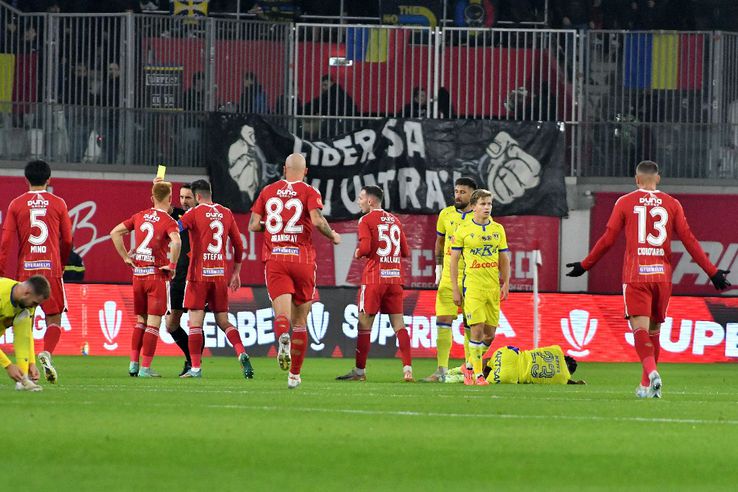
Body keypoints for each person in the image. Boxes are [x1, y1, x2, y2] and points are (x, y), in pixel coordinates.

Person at [566, 160, 730, 398]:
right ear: (658, 179)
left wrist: (585, 265)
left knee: (639, 329)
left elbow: (608, 239)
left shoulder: (624, 202)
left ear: (636, 179)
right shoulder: (672, 204)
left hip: (636, 274)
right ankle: (646, 387)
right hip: (662, 277)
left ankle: (652, 374)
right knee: (654, 332)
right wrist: (712, 272)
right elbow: (689, 240)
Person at [249, 153, 341, 389]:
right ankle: (294, 377)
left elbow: (252, 225)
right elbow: (318, 221)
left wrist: (273, 227)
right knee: (301, 321)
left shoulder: (268, 191)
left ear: (284, 168)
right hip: (302, 260)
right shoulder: (309, 191)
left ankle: (282, 337)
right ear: (306, 171)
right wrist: (333, 235)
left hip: (276, 259)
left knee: (282, 316)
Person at [0, 160, 72, 384]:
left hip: (26, 271)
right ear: (49, 180)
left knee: (23, 321)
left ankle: (25, 368)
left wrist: (1, 272)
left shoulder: (16, 204)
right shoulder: (58, 203)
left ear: (26, 179)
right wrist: (61, 260)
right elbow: (68, 239)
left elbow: (6, 241)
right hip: (51, 268)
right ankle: (47, 353)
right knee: (54, 318)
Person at [336, 186, 413, 382]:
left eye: (361, 197)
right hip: (395, 277)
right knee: (399, 325)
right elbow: (405, 251)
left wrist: (358, 252)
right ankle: (407, 370)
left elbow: (366, 247)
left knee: (364, 324)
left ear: (370, 201)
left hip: (374, 278)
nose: (358, 201)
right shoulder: (395, 220)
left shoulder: (366, 220)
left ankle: (359, 372)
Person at [178, 180, 253, 379]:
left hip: (198, 276)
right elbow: (238, 244)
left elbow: (174, 230)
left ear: (197, 197)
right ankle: (241, 352)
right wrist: (236, 272)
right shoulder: (226, 213)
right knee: (224, 321)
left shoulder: (192, 214)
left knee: (195, 323)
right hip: (219, 276)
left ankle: (195, 368)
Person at [110, 181, 181, 377]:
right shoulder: (168, 221)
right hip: (156, 276)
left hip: (138, 276)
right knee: (153, 323)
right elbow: (176, 241)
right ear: (170, 198)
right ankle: (145, 368)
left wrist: (126, 257)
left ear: (152, 198)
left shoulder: (139, 216)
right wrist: (172, 265)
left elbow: (114, 232)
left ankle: (133, 364)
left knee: (140, 321)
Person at [450, 188, 511, 386]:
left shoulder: (498, 230)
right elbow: (454, 261)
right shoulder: (463, 230)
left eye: (489, 204)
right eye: (483, 204)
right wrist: (455, 288)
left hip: (492, 287)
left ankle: (469, 364)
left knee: (490, 334)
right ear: (474, 206)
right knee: (476, 332)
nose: (487, 207)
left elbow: (504, 259)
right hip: (473, 287)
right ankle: (477, 375)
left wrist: (506, 282)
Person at [423, 177, 477, 383]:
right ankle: (441, 370)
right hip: (447, 276)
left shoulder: (480, 217)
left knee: (470, 324)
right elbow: (439, 241)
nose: (458, 195)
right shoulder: (445, 214)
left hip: (471, 277)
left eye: (463, 192)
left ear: (473, 194)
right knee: (443, 321)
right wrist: (438, 266)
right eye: (456, 191)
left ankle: (469, 370)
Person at [166, 183, 196, 376]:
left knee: (201, 323)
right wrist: (157, 186)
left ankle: (195, 363)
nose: (184, 202)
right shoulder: (176, 214)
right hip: (178, 278)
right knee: (171, 325)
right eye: (182, 197)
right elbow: (162, 205)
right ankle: (191, 359)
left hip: (196, 277)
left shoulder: (205, 215)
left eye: (188, 198)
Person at [0, 275, 50, 391]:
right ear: (27, 293)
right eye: (35, 303)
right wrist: (8, 366)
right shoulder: (2, 293)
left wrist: (30, 364)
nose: (35, 307)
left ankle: (23, 382)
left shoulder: (26, 306)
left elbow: (24, 337)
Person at [445, 345, 586, 385]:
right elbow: (564, 379)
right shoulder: (562, 378)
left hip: (509, 354)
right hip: (510, 376)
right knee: (484, 379)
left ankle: (458, 369)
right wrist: (575, 382)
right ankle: (454, 379)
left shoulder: (556, 350)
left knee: (486, 363)